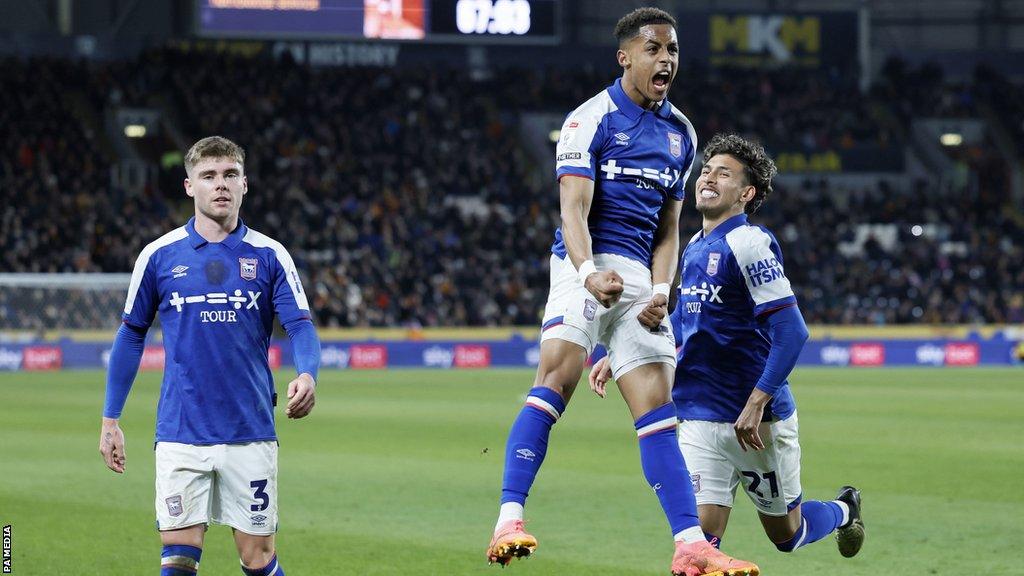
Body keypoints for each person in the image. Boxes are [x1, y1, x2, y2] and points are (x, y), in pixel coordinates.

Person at [487, 8, 759, 575]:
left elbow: (669, 228)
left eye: (674, 51)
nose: (667, 60)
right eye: (655, 49)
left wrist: (662, 289)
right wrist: (588, 274)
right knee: (556, 380)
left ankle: (691, 547)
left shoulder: (682, 133)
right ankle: (509, 518)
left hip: (639, 277)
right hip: (583, 263)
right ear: (626, 56)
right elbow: (573, 210)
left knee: (659, 409)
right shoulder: (591, 119)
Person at [590, 133, 866, 560]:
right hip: (699, 414)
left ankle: (844, 510)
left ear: (746, 192)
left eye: (724, 173)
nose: (708, 178)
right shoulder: (695, 245)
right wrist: (622, 352)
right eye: (705, 170)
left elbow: (792, 332)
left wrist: (757, 403)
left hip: (756, 422)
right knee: (698, 544)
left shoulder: (749, 243)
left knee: (786, 536)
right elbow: (687, 323)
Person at [99, 136, 321, 576]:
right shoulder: (159, 256)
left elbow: (300, 325)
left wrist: (308, 374)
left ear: (244, 185)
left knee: (257, 558)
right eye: (209, 176)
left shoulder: (270, 255)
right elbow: (130, 335)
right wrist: (111, 420)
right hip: (181, 430)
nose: (220, 185)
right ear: (189, 186)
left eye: (229, 175)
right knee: (178, 558)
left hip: (250, 429)